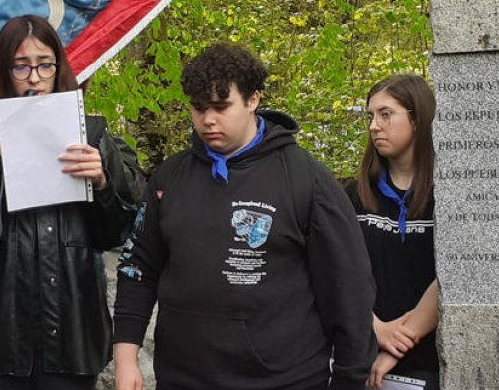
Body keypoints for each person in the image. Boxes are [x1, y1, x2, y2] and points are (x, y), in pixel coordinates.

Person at [113, 42, 376, 390]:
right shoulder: (169, 178)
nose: (208, 119)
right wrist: (126, 359)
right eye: (198, 108)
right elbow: (138, 268)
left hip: (285, 379)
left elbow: (348, 286)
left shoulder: (305, 179)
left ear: (253, 100)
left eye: (222, 107)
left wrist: (350, 377)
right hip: (183, 377)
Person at [0, 14, 143, 390]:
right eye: (21, 67)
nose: (34, 78)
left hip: (72, 335)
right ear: (3, 72)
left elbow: (117, 234)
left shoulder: (92, 132)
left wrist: (104, 182)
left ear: (58, 67)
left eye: (44, 65)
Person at [349, 74, 440, 389]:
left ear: (417, 119)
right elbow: (338, 271)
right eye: (371, 116)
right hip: (360, 355)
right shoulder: (352, 195)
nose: (374, 125)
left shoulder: (448, 195)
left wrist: (398, 343)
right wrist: (375, 330)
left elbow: (453, 275)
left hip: (428, 363)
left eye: (386, 114)